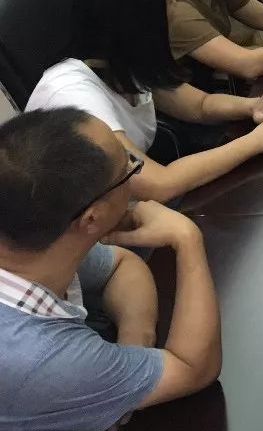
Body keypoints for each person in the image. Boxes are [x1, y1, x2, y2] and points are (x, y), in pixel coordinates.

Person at [0, 108, 221, 429]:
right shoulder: (46, 358)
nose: (134, 168)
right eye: (127, 171)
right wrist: (187, 239)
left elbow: (122, 265)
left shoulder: (29, 237)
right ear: (92, 218)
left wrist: (133, 344)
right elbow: (193, 368)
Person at [26, 0, 263, 201]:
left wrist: (252, 105)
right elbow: (158, 184)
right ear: (143, 21)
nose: (176, 8)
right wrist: (257, 141)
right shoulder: (74, 97)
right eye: (170, 1)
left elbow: (199, 105)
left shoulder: (123, 62)